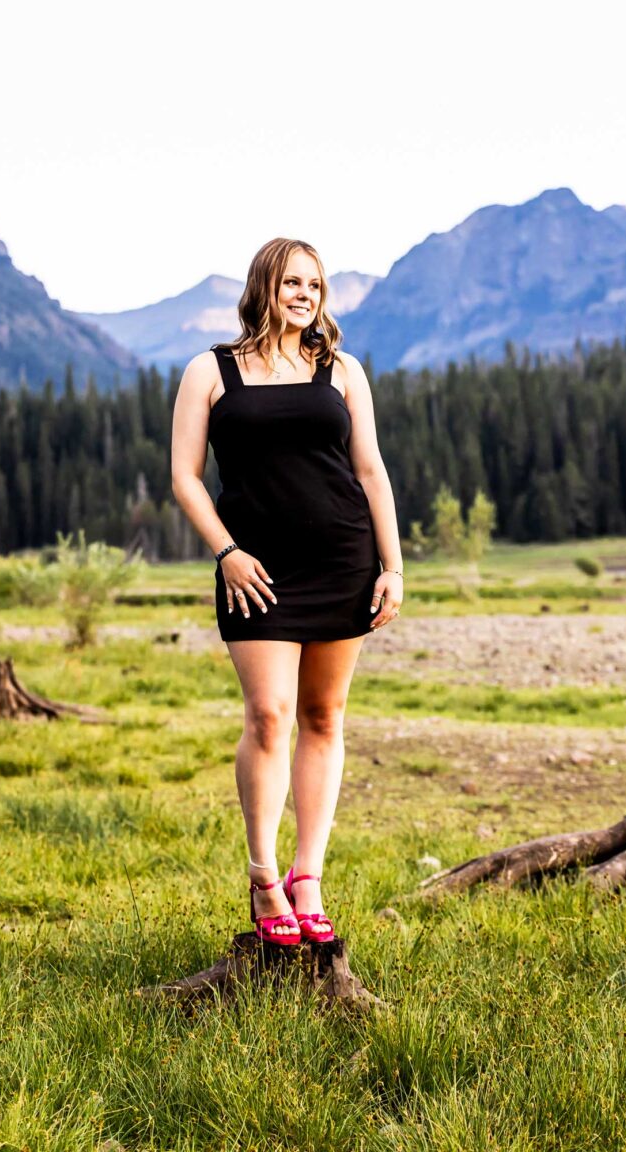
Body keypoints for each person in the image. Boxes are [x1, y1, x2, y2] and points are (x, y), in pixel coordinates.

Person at [171, 238, 402, 945]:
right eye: (291, 282)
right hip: (257, 573)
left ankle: (309, 877)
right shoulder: (210, 371)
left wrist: (392, 565)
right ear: (264, 287)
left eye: (315, 284)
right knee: (269, 718)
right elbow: (185, 477)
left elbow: (370, 470)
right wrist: (228, 552)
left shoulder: (343, 370)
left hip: (342, 559)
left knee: (324, 717)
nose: (304, 294)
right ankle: (262, 874)